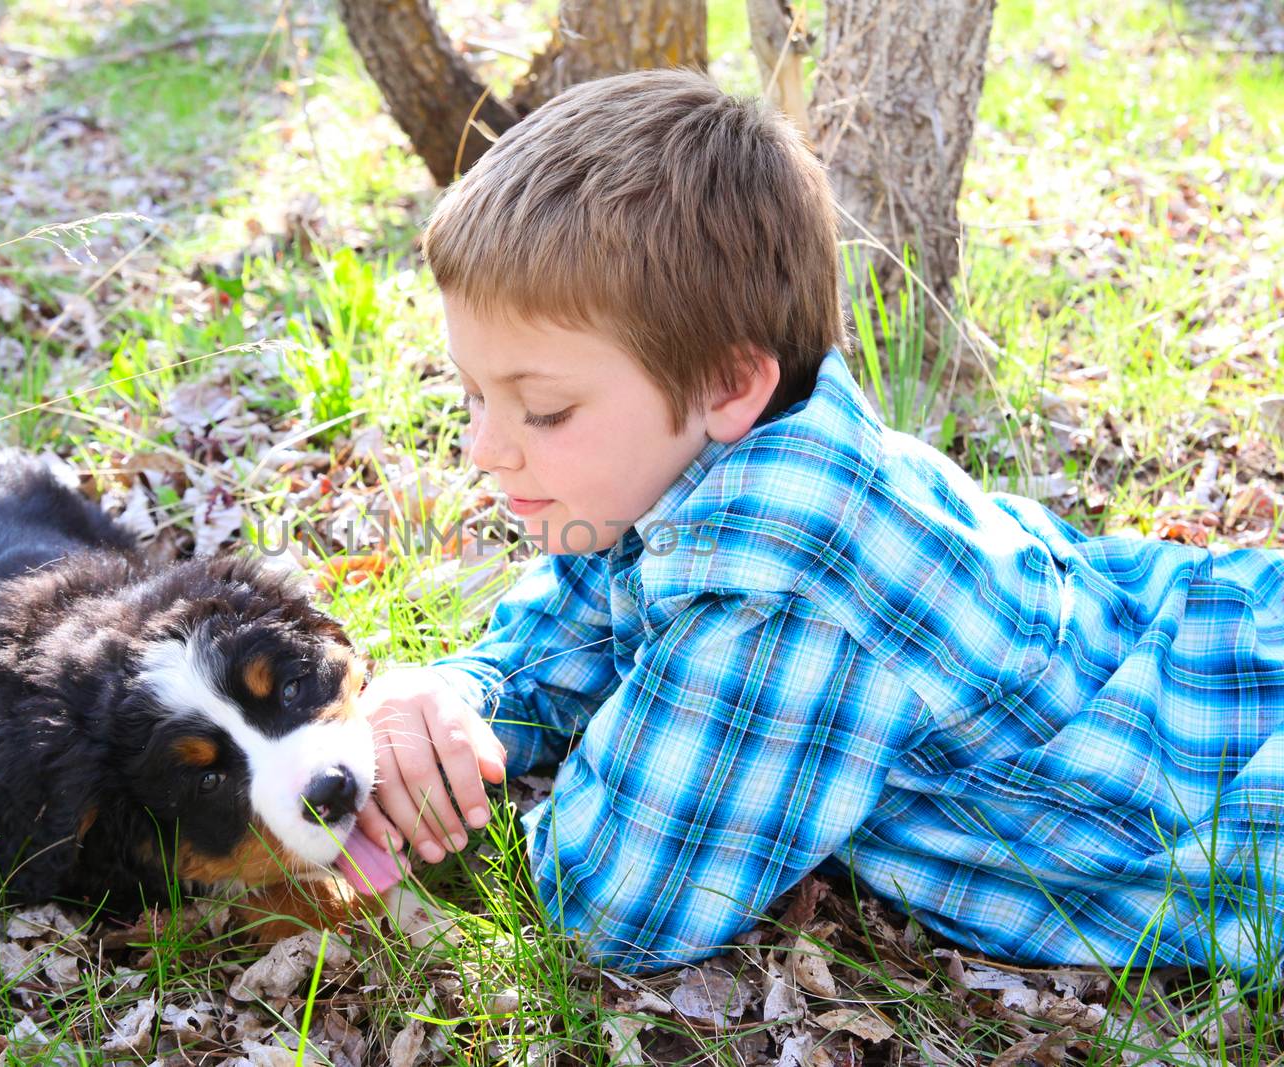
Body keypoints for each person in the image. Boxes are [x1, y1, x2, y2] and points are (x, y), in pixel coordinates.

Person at [353, 68, 1284, 974]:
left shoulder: (778, 595)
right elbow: (577, 609)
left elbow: (611, 907)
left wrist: (417, 820)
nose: (484, 447)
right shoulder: (699, 457)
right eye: (471, 392)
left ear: (726, 382)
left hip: (1208, 773)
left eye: (544, 409)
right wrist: (452, 697)